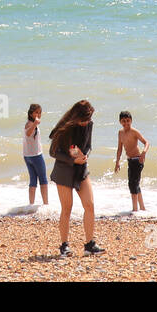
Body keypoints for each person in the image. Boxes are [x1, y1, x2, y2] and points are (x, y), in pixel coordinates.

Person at [49, 100, 103, 257]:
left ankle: (89, 245)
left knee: (90, 205)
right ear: (77, 116)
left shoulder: (89, 124)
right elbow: (53, 152)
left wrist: (85, 155)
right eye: (85, 119)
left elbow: (89, 146)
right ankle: (64, 246)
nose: (87, 122)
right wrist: (73, 159)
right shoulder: (64, 128)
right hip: (64, 170)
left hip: (81, 169)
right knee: (67, 209)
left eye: (89, 118)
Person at [113, 110, 149, 212]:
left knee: (132, 184)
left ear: (131, 121)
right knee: (135, 183)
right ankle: (142, 208)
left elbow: (146, 142)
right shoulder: (120, 133)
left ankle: (135, 210)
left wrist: (143, 153)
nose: (126, 123)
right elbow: (119, 148)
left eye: (128, 121)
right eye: (123, 121)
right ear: (120, 122)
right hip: (130, 161)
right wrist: (117, 162)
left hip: (138, 160)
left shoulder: (134, 132)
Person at [22, 104, 48, 206]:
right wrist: (35, 124)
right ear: (31, 113)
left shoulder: (30, 123)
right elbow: (28, 133)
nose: (38, 114)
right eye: (36, 112)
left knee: (33, 180)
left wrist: (35, 124)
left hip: (27, 155)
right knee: (43, 180)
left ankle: (31, 205)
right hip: (35, 156)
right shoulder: (30, 124)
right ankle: (46, 204)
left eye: (40, 112)